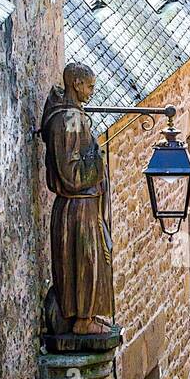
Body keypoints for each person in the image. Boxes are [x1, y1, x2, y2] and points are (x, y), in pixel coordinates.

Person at [41, 62, 114, 337]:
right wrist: (97, 162)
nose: (92, 92)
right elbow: (70, 174)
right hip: (77, 207)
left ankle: (88, 315)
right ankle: (82, 319)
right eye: (89, 86)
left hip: (84, 206)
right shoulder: (68, 120)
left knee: (91, 260)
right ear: (75, 84)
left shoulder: (74, 116)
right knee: (85, 261)